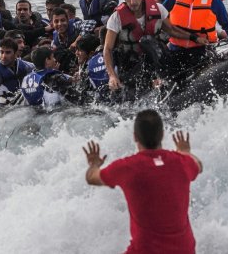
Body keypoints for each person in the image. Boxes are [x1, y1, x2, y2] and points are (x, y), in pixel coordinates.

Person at [82, 109, 202, 254]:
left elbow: (92, 178)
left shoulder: (128, 167)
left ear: (135, 137)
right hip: (185, 250)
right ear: (162, 135)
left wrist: (94, 164)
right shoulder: (181, 162)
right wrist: (185, 151)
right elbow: (198, 165)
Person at [104, 0, 207, 97]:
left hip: (158, 61)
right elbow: (107, 49)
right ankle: (150, 83)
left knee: (147, 41)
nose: (133, 2)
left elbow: (172, 30)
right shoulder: (116, 18)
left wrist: (195, 38)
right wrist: (112, 76)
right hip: (133, 66)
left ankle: (163, 80)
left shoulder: (158, 9)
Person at [20, 47, 86, 106]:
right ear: (47, 60)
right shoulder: (55, 78)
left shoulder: (27, 79)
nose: (55, 60)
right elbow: (76, 99)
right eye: (52, 57)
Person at [0, 37, 34, 102]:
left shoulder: (28, 67)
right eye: (1, 52)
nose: (3, 56)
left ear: (16, 53)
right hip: (3, 108)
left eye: (8, 52)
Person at [74, 35, 109, 102]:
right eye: (76, 50)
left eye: (80, 50)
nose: (76, 53)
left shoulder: (88, 69)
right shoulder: (107, 58)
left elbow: (81, 96)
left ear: (91, 53)